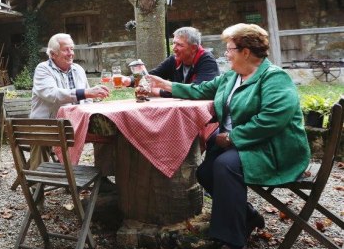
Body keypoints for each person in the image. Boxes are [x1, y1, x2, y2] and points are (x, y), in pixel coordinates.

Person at [147, 24, 309, 249]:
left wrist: (234, 137)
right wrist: (165, 86)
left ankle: (234, 245)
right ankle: (247, 215)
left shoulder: (274, 77)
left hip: (273, 149)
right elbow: (201, 89)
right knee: (204, 172)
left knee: (225, 166)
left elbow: (274, 117)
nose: (226, 54)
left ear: (246, 52)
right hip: (246, 145)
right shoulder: (232, 76)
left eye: (230, 49)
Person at [29, 33, 110, 168]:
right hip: (49, 125)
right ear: (53, 54)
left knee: (106, 133)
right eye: (66, 49)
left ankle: (102, 179)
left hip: (77, 124)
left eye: (72, 49)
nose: (71, 53)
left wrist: (91, 105)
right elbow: (52, 94)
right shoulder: (43, 69)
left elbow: (87, 100)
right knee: (41, 137)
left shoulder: (78, 69)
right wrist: (84, 93)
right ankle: (37, 183)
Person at [124, 26, 219, 96]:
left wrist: (158, 91)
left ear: (194, 48)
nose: (174, 48)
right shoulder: (174, 59)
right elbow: (153, 75)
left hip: (204, 115)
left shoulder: (207, 61)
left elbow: (197, 92)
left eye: (180, 45)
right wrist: (129, 80)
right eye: (173, 43)